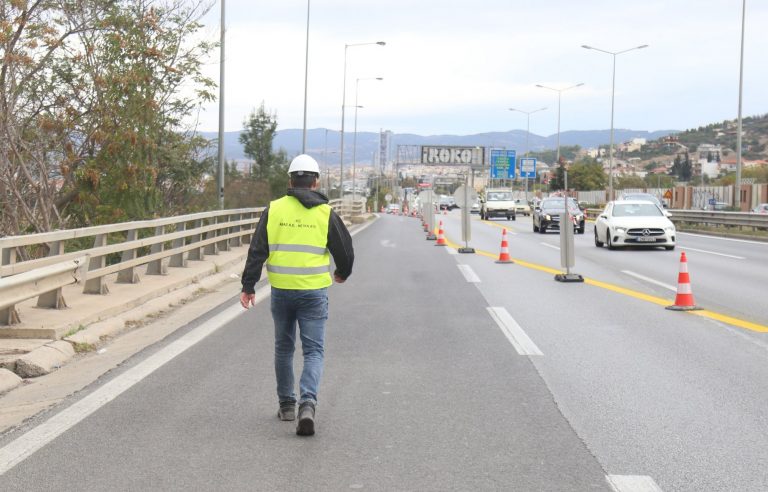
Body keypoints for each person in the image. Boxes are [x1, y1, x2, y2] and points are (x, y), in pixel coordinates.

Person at [240, 154, 354, 437]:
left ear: (290, 181)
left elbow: (257, 250)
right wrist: (343, 272)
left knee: (284, 348)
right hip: (313, 292)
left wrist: (248, 286)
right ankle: (308, 404)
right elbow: (345, 248)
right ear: (316, 182)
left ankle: (287, 405)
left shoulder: (274, 209)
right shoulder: (326, 213)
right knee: (314, 350)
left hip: (281, 291)